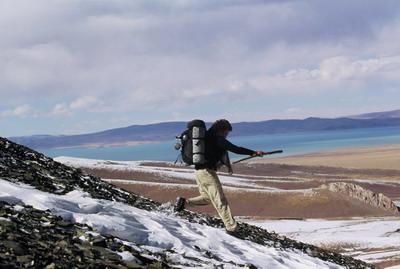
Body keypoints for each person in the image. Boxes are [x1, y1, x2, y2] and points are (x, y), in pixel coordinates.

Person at [175, 119, 263, 234]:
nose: (227, 135)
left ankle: (184, 203)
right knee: (220, 200)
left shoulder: (206, 137)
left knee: (207, 197)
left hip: (198, 172)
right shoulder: (218, 139)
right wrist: (253, 152)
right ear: (222, 130)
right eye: (226, 132)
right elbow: (236, 149)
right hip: (207, 172)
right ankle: (231, 227)